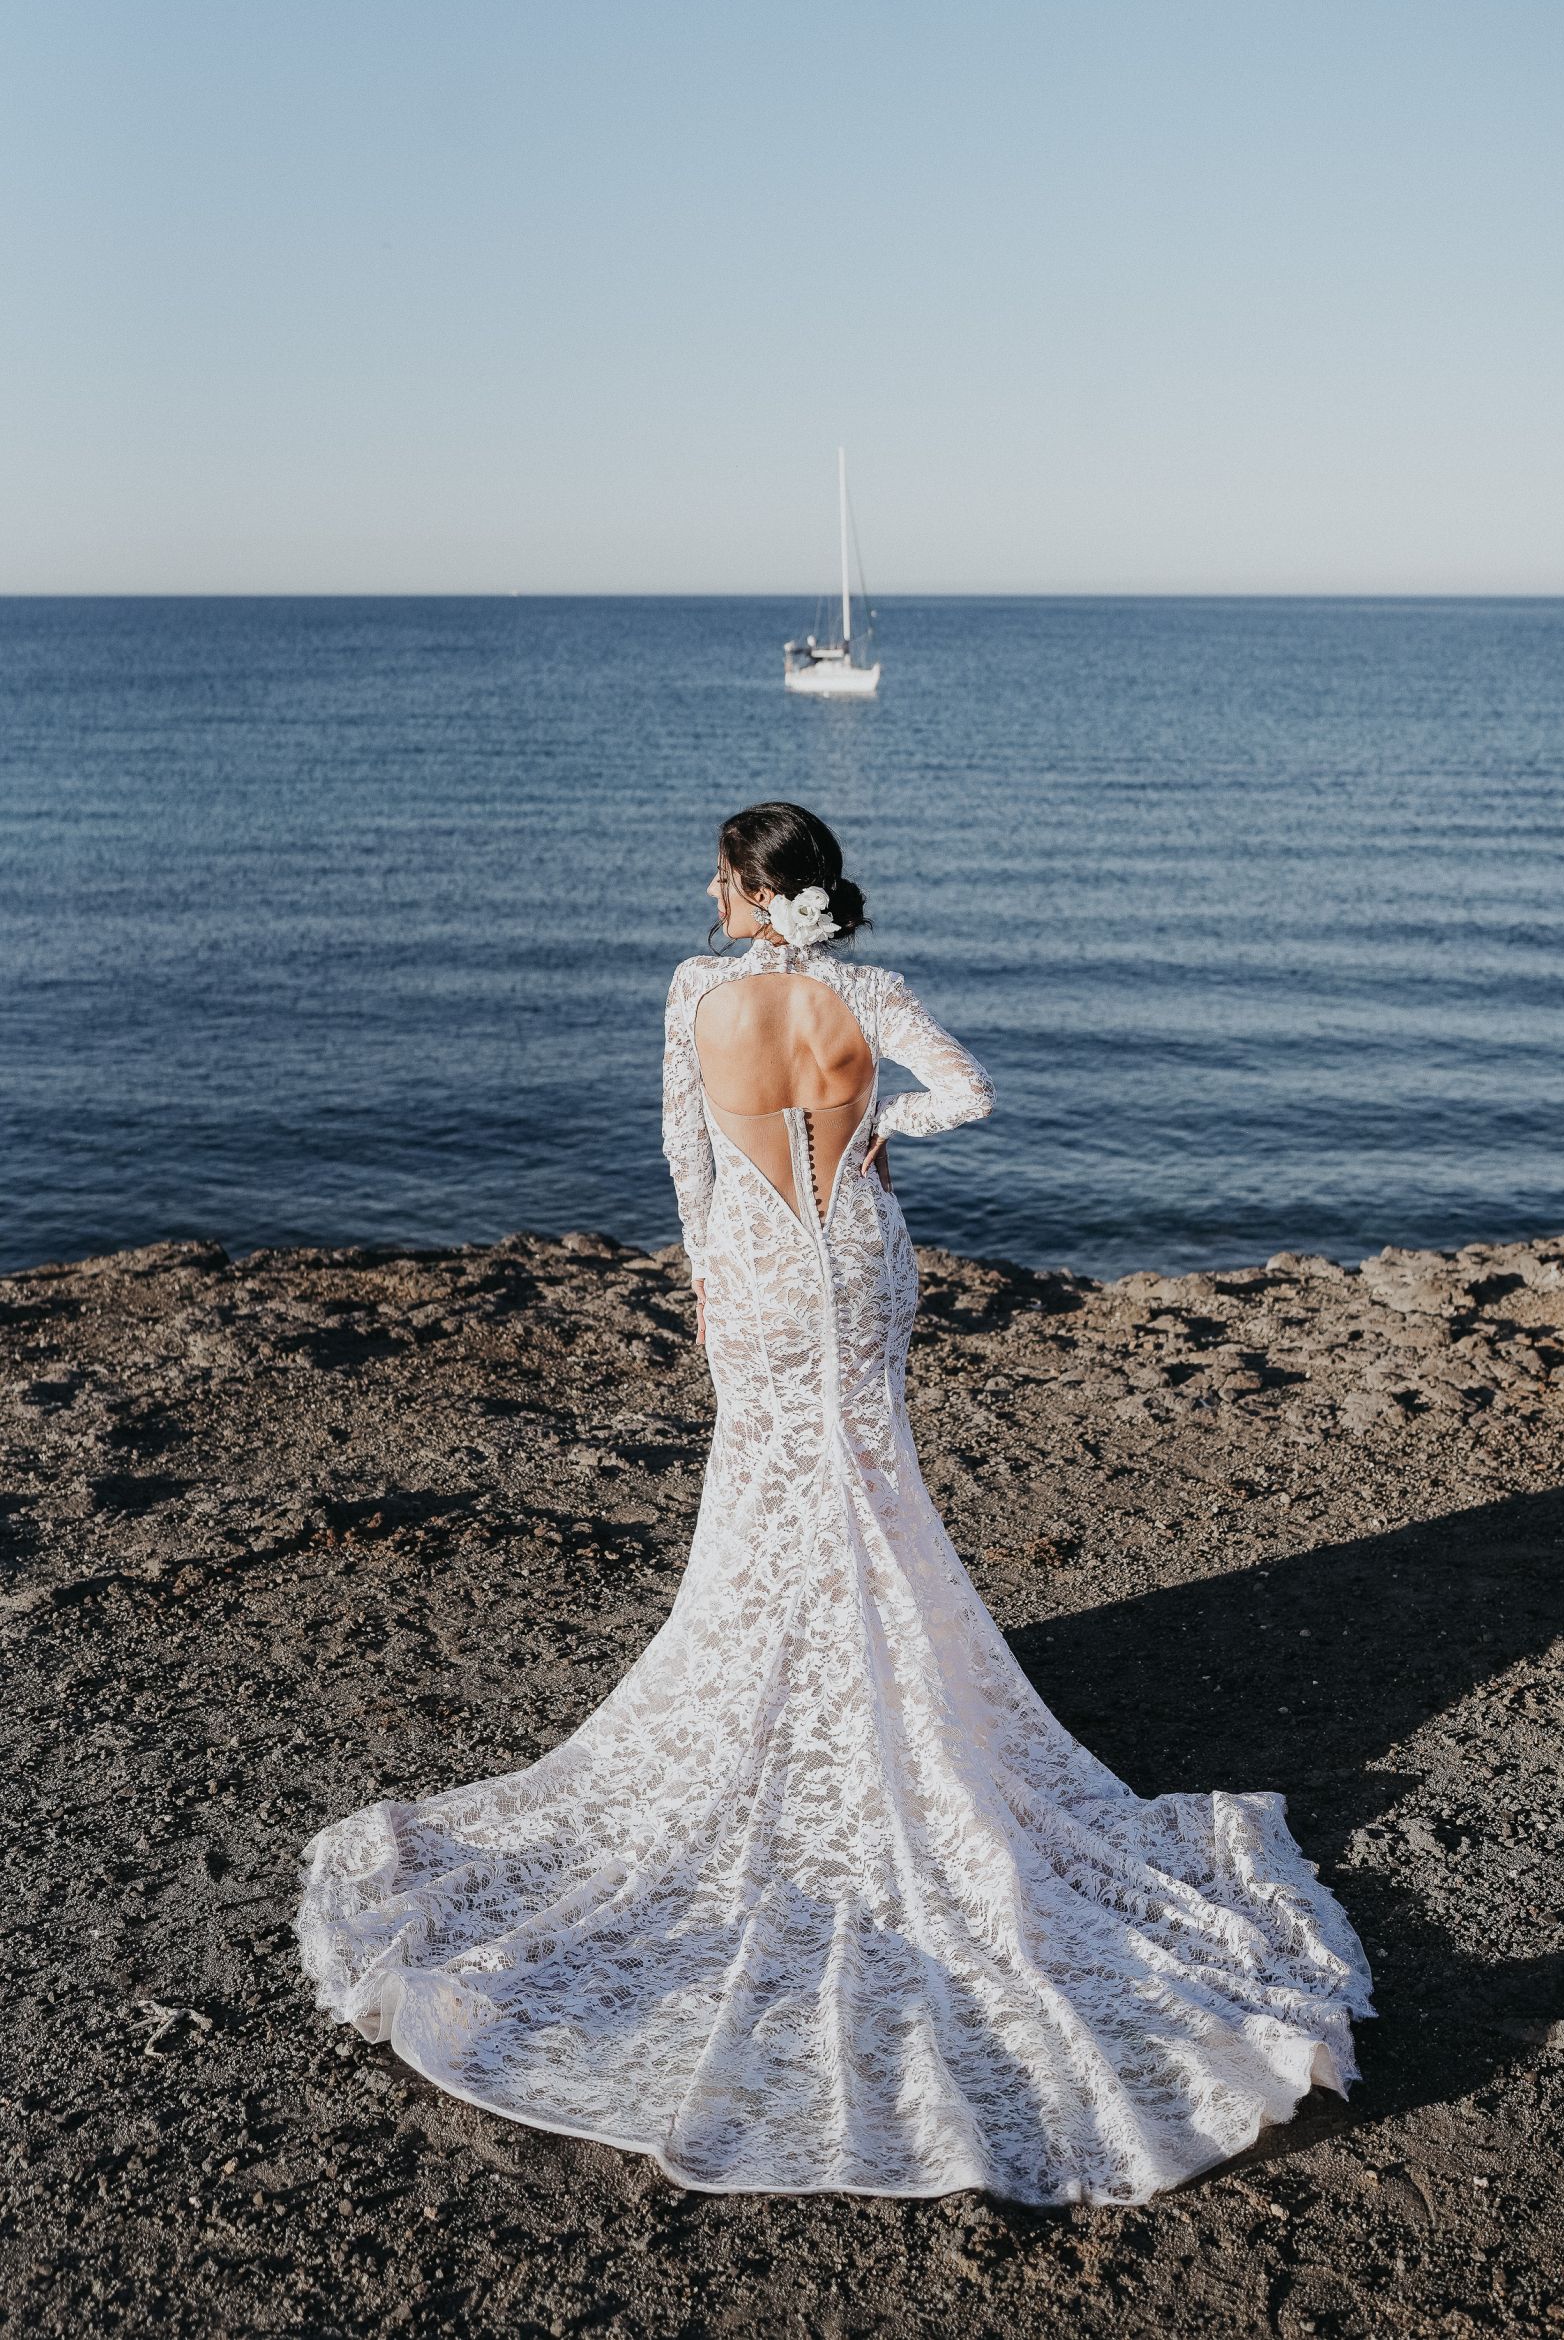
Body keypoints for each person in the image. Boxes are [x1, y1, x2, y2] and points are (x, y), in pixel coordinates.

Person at [295, 800, 1371, 2203]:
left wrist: (701, 1273)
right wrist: (871, 1132)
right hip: (858, 1256)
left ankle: (787, 1675)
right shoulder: (870, 992)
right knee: (869, 1476)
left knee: (765, 1477)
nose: (708, 893)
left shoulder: (697, 991)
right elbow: (971, 1094)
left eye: (722, 877)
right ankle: (876, 1683)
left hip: (754, 1260)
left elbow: (684, 1153)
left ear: (758, 892)